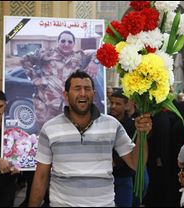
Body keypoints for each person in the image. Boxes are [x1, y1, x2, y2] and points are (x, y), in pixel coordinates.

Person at [28, 70, 152, 207]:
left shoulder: (112, 125)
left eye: (87, 89)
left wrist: (142, 135)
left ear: (94, 93)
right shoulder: (50, 128)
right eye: (77, 88)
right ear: (66, 95)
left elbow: (135, 163)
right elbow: (41, 177)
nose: (82, 93)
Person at [21, 30, 102, 131]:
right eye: (63, 41)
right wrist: (36, 79)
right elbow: (25, 59)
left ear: (73, 44)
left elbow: (99, 52)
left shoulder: (79, 56)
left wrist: (94, 62)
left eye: (69, 42)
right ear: (58, 42)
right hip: (46, 105)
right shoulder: (46, 53)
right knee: (45, 133)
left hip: (68, 106)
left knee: (66, 134)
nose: (66, 44)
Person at [109, 88, 148, 207]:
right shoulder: (105, 122)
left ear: (126, 105)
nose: (113, 106)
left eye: (118, 103)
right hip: (107, 177)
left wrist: (115, 163)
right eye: (112, 103)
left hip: (123, 176)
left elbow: (133, 150)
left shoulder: (132, 126)